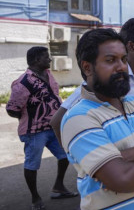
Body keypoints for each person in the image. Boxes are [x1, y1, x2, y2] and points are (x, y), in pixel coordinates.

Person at [60, 29, 134, 209]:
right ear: (87, 67)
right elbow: (122, 179)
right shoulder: (79, 117)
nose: (122, 67)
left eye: (124, 59)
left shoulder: (133, 105)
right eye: (110, 60)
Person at [50, 17, 134, 144]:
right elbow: (57, 121)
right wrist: (77, 156)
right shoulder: (111, 81)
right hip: (114, 160)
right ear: (131, 46)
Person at [6, 47, 78, 210]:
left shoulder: (48, 74)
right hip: (34, 132)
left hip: (52, 127)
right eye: (47, 57)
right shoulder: (23, 82)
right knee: (32, 164)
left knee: (65, 155)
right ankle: (35, 198)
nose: (50, 60)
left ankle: (58, 187)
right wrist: (30, 117)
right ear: (37, 60)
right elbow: (11, 109)